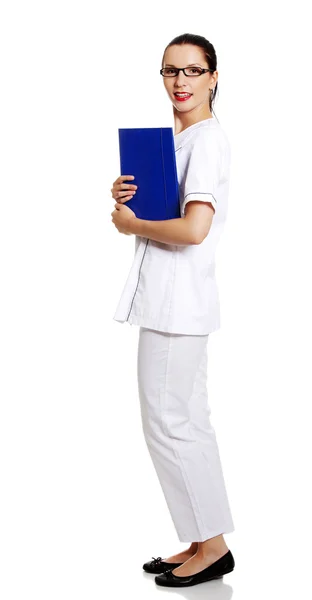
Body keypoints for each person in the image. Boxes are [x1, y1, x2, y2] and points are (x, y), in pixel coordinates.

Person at [110, 33, 235, 588]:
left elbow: (195, 228)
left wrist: (135, 225)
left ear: (214, 77)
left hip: (176, 308)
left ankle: (212, 546)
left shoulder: (206, 142)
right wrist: (130, 199)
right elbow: (173, 212)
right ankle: (200, 539)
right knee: (185, 424)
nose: (180, 82)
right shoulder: (179, 141)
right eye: (170, 71)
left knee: (169, 425)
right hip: (175, 304)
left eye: (192, 70)